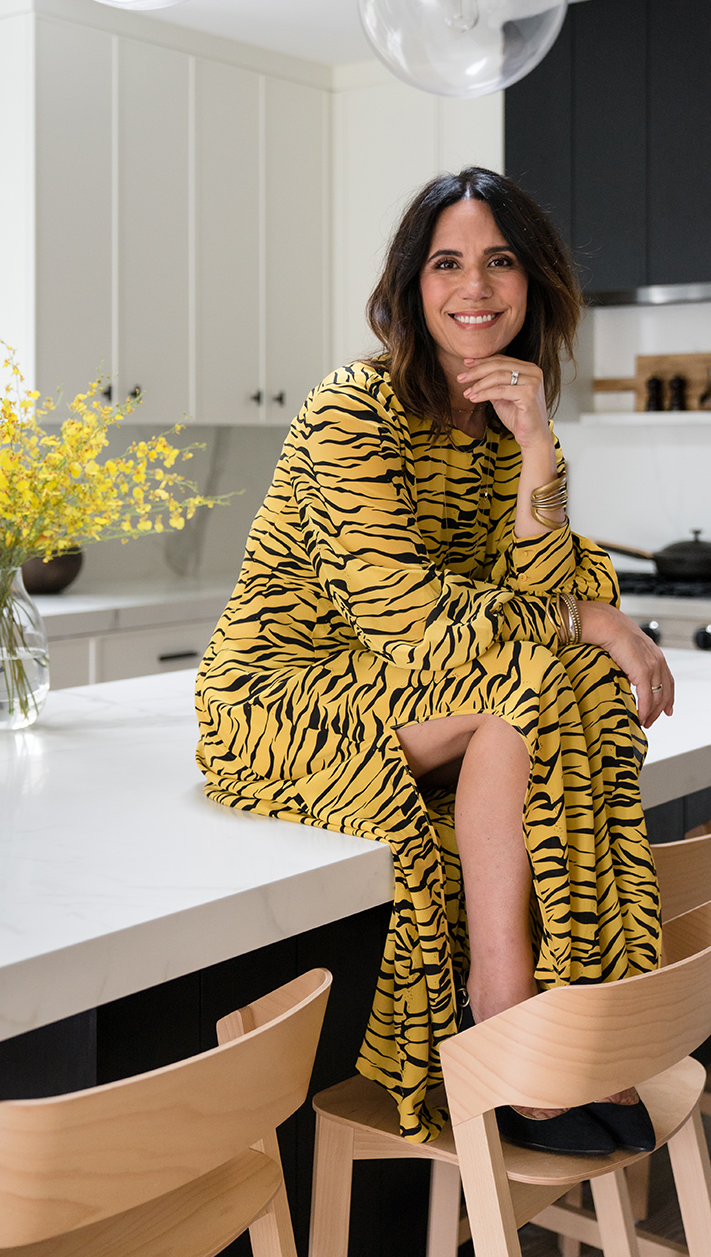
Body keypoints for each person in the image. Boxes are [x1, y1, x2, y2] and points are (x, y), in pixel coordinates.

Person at [195, 167, 672, 1154]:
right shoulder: (351, 408)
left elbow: (535, 584)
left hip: (425, 692)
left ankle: (583, 1007)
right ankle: (502, 1008)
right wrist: (594, 618)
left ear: (532, 282)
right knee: (540, 673)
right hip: (282, 697)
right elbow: (400, 615)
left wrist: (539, 446)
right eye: (448, 262)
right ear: (410, 287)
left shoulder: (510, 425)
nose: (476, 286)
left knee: (559, 678)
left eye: (500, 261)